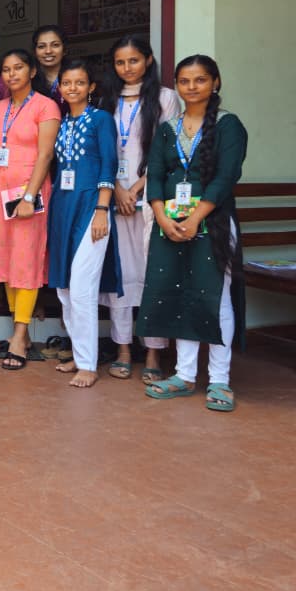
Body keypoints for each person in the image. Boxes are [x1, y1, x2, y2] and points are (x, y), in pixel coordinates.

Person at [140, 55, 247, 412]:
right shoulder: (168, 128)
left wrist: (196, 218)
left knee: (214, 297)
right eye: (184, 81)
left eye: (200, 80)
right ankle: (184, 375)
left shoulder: (229, 126)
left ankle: (220, 380)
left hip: (213, 223)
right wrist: (162, 217)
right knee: (178, 293)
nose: (191, 87)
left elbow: (226, 177)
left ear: (216, 83)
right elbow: (155, 174)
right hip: (170, 224)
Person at [97, 36, 179, 383]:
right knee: (120, 276)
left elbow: (168, 150)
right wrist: (117, 189)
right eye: (120, 62)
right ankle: (123, 349)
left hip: (150, 197)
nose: (127, 68)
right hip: (113, 196)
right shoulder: (106, 98)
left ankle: (154, 352)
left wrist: (136, 188)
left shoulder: (165, 98)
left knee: (150, 275)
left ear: (148, 60)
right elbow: (102, 151)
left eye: (133, 60)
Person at [47, 60, 121, 388]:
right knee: (64, 289)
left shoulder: (101, 119)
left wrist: (103, 208)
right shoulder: (62, 123)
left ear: (91, 87)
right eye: (67, 83)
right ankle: (79, 355)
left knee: (82, 288)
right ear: (60, 87)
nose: (72, 88)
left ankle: (89, 365)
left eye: (79, 82)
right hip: (63, 208)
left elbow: (109, 163)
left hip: (92, 205)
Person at [0, 49, 61, 370]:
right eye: (6, 69)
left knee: (26, 261)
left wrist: (30, 196)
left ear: (31, 71)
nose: (12, 74)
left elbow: (46, 155)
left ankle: (19, 335)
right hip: (1, 196)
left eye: (18, 68)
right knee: (6, 260)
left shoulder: (46, 106)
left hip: (31, 196)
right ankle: (23, 333)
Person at [32, 24, 68, 105]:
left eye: (55, 45)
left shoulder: (76, 76)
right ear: (35, 52)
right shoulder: (28, 81)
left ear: (64, 50)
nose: (48, 51)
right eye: (41, 46)